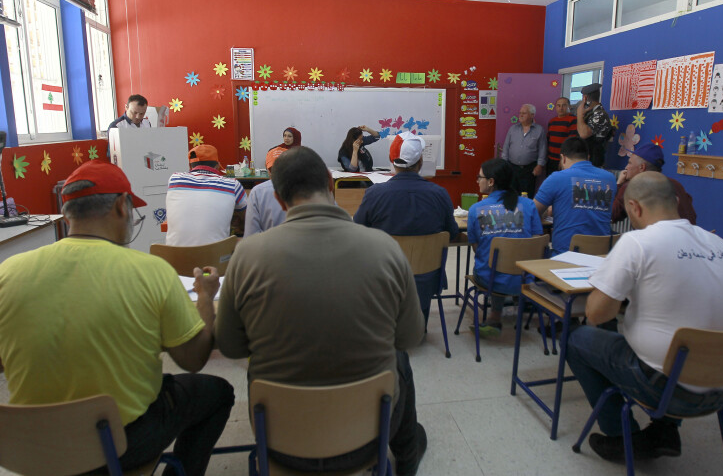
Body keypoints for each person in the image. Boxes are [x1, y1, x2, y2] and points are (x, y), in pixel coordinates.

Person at [0, 160, 234, 475]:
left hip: (30, 446)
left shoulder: (8, 272)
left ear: (67, 214)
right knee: (218, 392)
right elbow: (194, 359)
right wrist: (205, 295)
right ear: (122, 207)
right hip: (120, 444)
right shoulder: (151, 271)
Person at [216, 147, 427, 475]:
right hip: (368, 438)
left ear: (279, 199)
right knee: (399, 359)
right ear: (331, 183)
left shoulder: (247, 256)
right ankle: (407, 456)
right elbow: (411, 337)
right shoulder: (385, 248)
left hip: (280, 443)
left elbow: (230, 347)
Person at [565, 172, 723, 462]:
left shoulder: (637, 243)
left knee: (576, 339)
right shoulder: (720, 245)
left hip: (669, 389)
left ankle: (623, 436)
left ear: (634, 207)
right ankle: (664, 430)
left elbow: (596, 314)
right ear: (675, 202)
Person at [354, 132, 460, 319]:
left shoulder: (374, 194)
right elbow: (451, 234)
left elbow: (358, 232)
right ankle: (419, 326)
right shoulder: (440, 194)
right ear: (421, 161)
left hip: (386, 278)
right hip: (428, 279)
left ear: (391, 160)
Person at [468, 158, 543, 338]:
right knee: (508, 263)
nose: (477, 180)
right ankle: (516, 305)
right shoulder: (528, 205)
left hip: (490, 280)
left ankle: (495, 317)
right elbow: (537, 241)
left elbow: (477, 248)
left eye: (479, 177)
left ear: (491, 182)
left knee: (492, 263)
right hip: (525, 278)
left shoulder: (476, 209)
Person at [534, 137, 616, 255]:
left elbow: (532, 212)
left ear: (563, 158)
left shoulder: (556, 178)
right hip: (601, 256)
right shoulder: (610, 178)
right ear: (588, 157)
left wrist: (549, 210)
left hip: (564, 256)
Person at [165, 144, 247, 246]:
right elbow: (246, 217)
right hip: (217, 255)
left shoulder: (175, 179)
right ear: (217, 166)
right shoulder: (232, 184)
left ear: (190, 166)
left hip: (174, 254)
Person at [613, 142, 696, 225]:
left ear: (642, 167)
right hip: (690, 232)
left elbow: (612, 215)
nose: (626, 167)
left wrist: (619, 184)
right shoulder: (677, 184)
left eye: (629, 163)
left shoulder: (634, 185)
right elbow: (692, 215)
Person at [501, 104, 547, 198]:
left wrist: (539, 165)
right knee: (511, 195)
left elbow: (543, 149)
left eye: (524, 113)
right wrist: (504, 164)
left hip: (529, 169)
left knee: (527, 195)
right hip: (512, 167)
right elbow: (506, 147)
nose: (521, 115)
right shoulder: (513, 129)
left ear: (532, 115)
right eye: (520, 113)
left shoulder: (539, 130)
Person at [244, 147, 287, 235]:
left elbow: (251, 235)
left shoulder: (257, 192)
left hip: (267, 242)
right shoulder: (306, 189)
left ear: (267, 170)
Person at [575, 83, 613, 167]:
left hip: (594, 161)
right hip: (586, 158)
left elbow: (583, 134)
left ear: (585, 98)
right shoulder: (591, 113)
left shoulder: (600, 114)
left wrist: (579, 114)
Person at [546, 97, 577, 177]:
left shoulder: (573, 120)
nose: (561, 108)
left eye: (564, 105)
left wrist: (564, 159)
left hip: (564, 160)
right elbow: (548, 140)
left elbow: (571, 143)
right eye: (558, 105)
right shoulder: (552, 121)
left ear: (569, 106)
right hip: (551, 159)